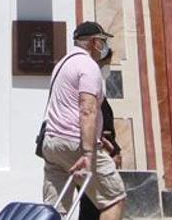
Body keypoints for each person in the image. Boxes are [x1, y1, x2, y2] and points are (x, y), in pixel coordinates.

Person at [41, 21, 126, 220]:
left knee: (56, 210)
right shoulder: (89, 66)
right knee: (113, 199)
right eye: (103, 41)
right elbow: (87, 110)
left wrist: (97, 135)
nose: (104, 47)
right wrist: (88, 151)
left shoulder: (61, 64)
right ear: (95, 42)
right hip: (76, 145)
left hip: (53, 144)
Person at [79, 45, 121, 220]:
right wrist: (113, 150)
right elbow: (96, 124)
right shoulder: (91, 89)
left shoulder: (96, 89)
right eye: (106, 64)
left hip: (97, 153)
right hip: (97, 154)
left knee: (92, 204)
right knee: (108, 200)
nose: (107, 68)